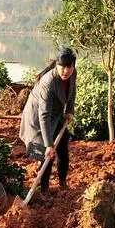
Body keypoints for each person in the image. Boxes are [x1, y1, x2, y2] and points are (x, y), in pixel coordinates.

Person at [19, 48, 76, 194]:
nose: (66, 71)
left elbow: (72, 91)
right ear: (57, 65)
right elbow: (44, 115)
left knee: (63, 146)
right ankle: (44, 190)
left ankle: (62, 182)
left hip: (55, 115)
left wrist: (69, 111)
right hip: (38, 118)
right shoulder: (48, 82)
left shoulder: (72, 74)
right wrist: (49, 145)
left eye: (69, 67)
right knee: (47, 154)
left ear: (73, 66)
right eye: (62, 67)